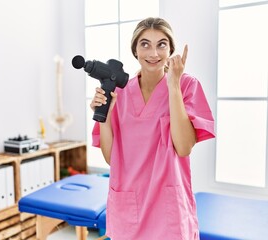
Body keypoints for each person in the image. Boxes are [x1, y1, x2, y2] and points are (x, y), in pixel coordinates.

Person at [90, 17, 215, 239]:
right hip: (129, 206)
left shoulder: (187, 85)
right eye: (145, 44)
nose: (153, 53)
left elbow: (184, 147)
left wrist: (173, 86)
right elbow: (112, 158)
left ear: (170, 50)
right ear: (135, 50)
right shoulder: (121, 92)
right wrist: (106, 114)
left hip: (168, 210)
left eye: (161, 44)